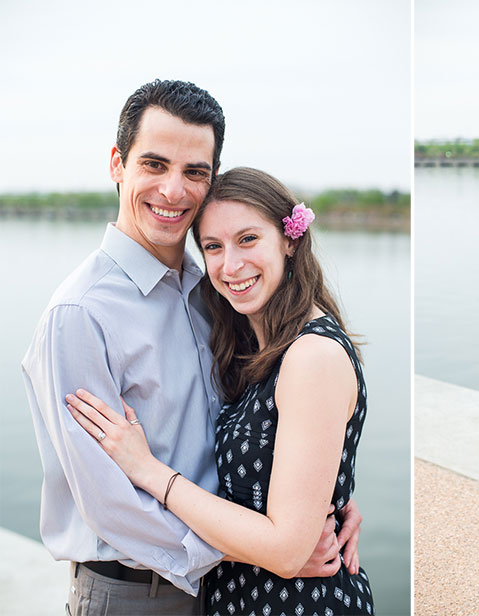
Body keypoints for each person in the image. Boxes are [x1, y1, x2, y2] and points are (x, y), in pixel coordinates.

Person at [22, 80, 359, 616]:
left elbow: (272, 423)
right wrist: (274, 546)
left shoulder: (216, 291)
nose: (173, 190)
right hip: (139, 591)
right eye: (154, 164)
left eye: (194, 172)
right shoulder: (80, 315)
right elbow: (111, 504)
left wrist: (325, 497)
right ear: (117, 164)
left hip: (229, 588)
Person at [68, 167, 375, 616]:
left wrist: (149, 471)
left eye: (248, 239)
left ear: (290, 240)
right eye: (213, 247)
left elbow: (289, 551)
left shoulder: (312, 356)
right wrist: (330, 495)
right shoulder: (255, 342)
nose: (230, 266)